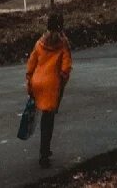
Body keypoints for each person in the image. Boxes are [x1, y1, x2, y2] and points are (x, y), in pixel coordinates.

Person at [25, 11, 72, 167]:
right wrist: (61, 81)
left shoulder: (40, 43)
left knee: (38, 113)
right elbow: (66, 68)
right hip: (51, 86)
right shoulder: (63, 44)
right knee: (48, 120)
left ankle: (44, 149)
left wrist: (29, 81)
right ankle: (44, 154)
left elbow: (31, 63)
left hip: (37, 82)